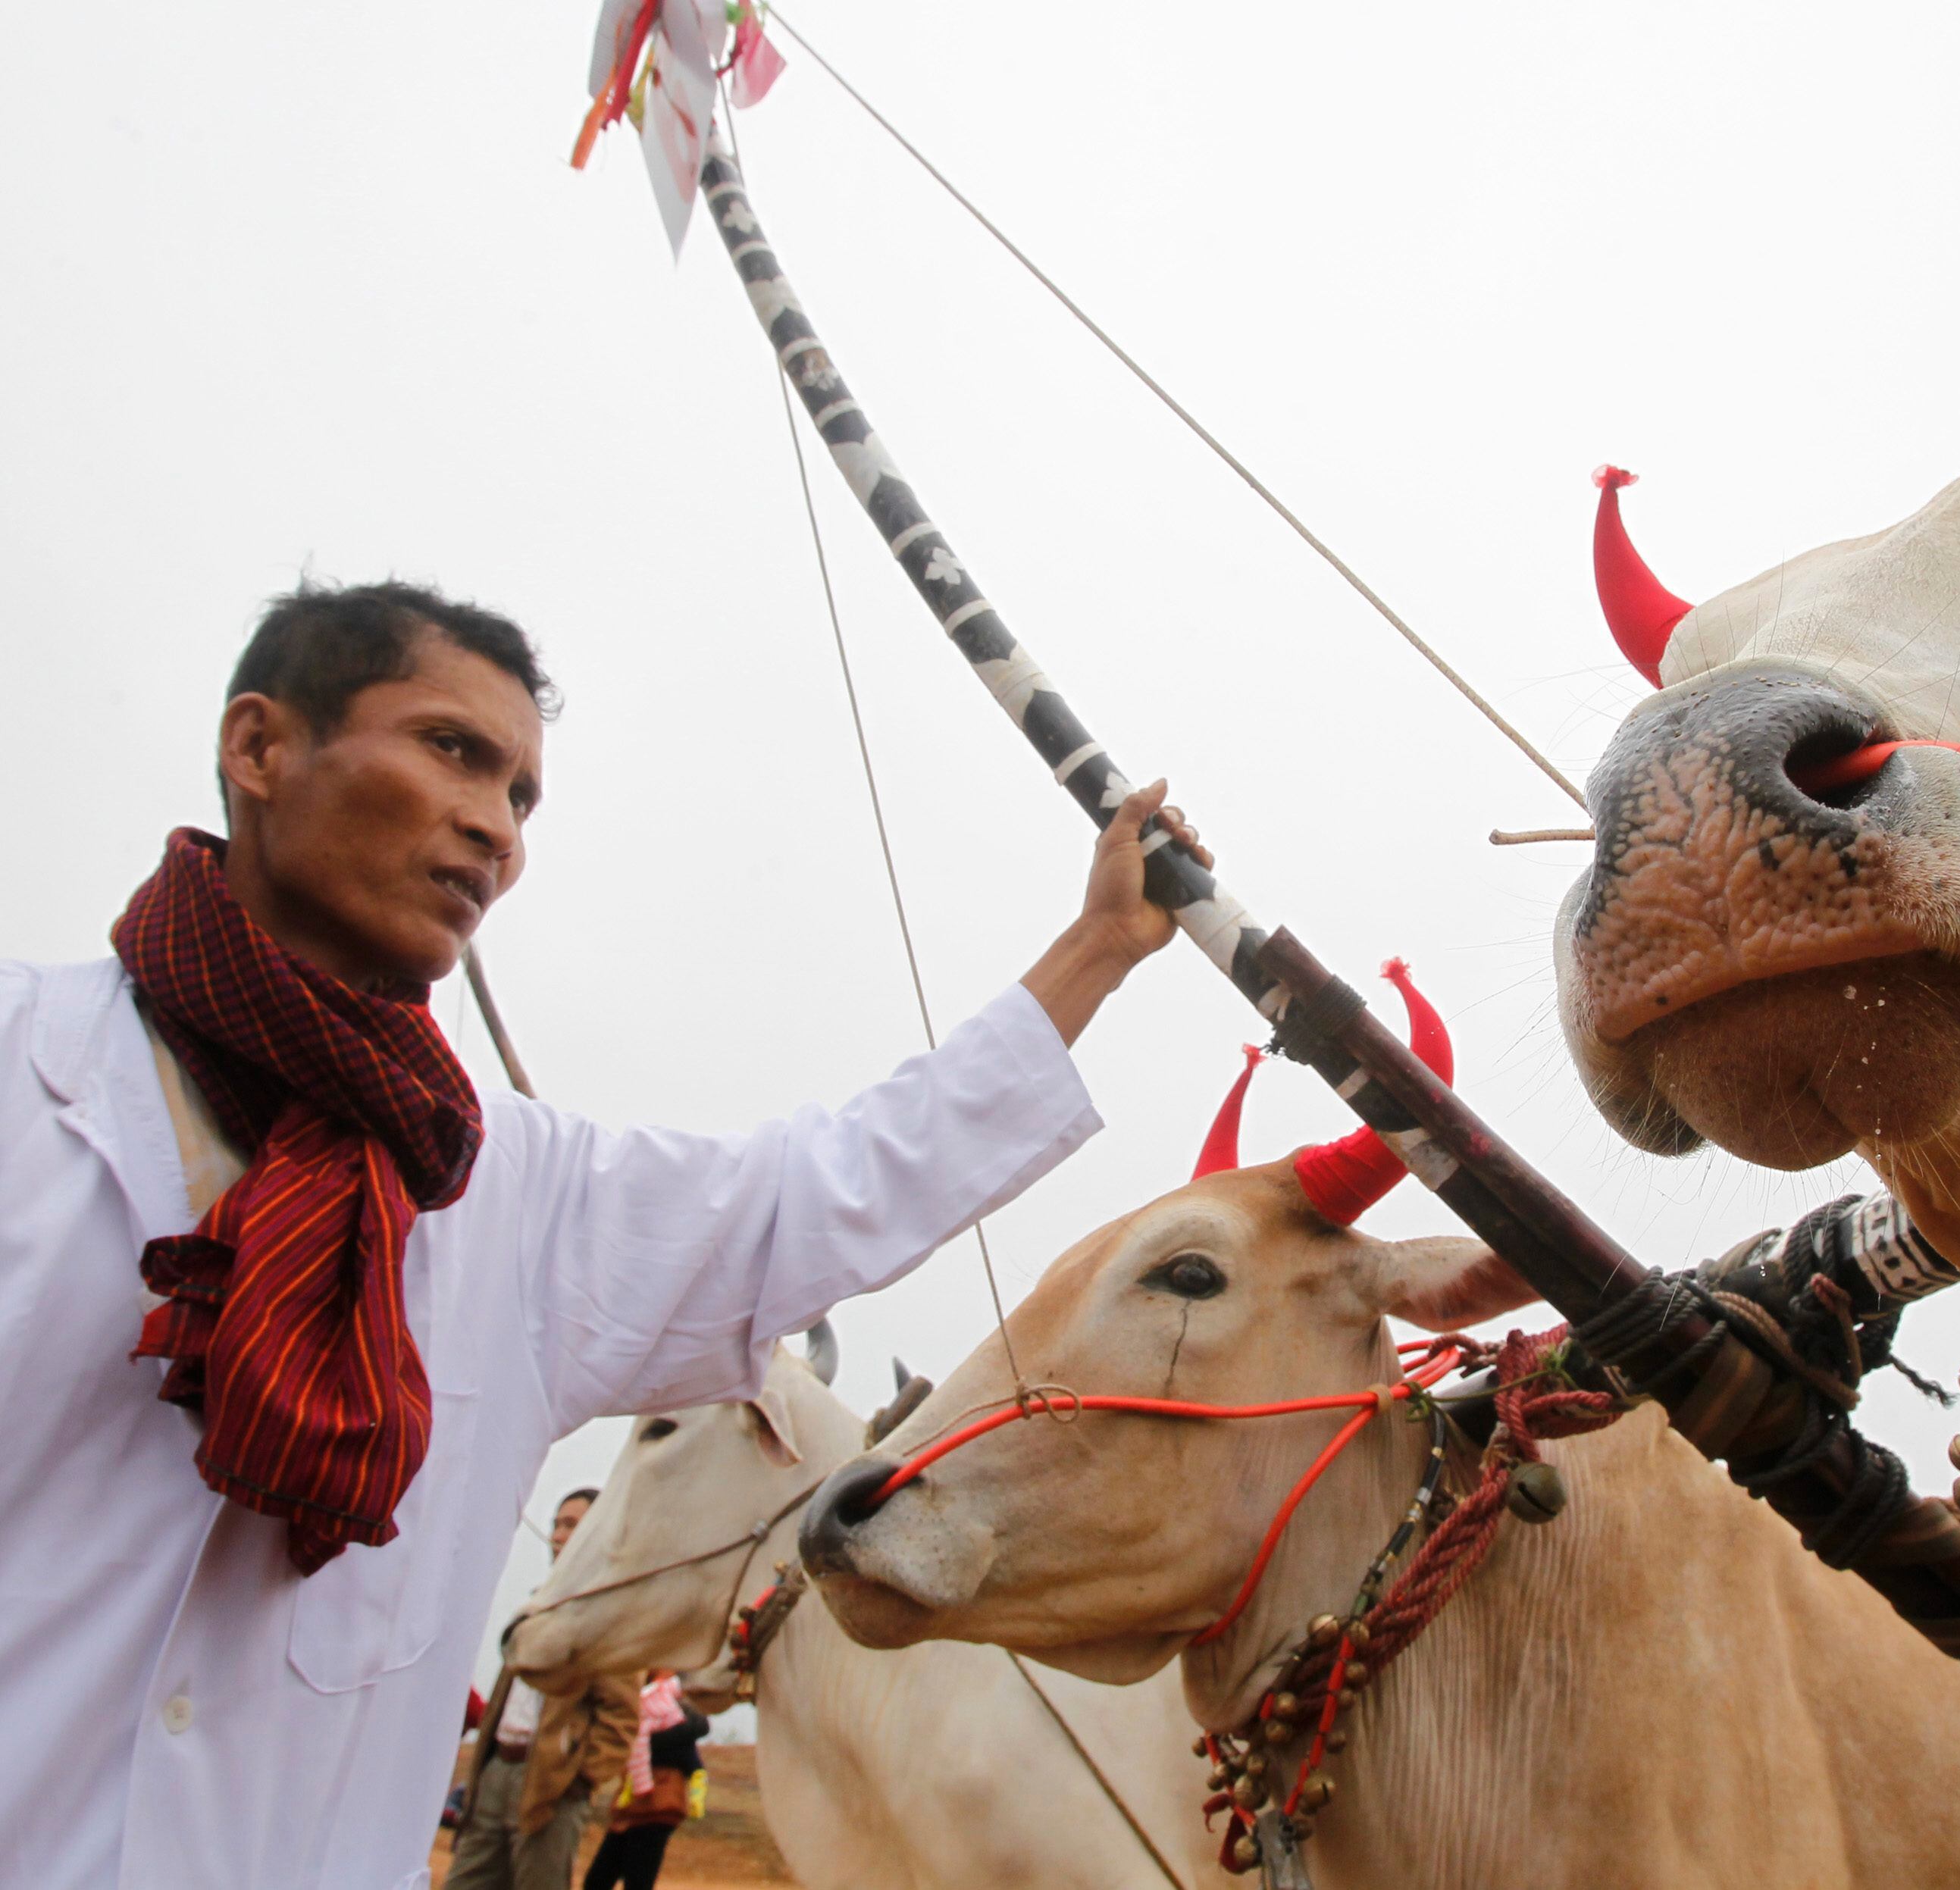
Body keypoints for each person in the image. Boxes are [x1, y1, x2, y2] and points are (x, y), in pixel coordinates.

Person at [0, 580, 1208, 1890]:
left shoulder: (513, 1197)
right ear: (260, 746)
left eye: (521, 796)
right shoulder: (25, 1069)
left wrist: (1099, 946)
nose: (493, 827)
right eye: (452, 749)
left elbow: (828, 1182)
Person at [448, 1491, 640, 1890]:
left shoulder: (609, 1617)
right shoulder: (534, 1609)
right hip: (496, 1771)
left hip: (550, 1784)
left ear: (598, 1534)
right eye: (556, 1523)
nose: (557, 1534)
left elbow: (621, 1716)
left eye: (571, 1526)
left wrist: (577, 1779)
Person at [580, 1673, 709, 1890]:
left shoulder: (672, 1704)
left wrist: (644, 1737)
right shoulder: (639, 1697)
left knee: (635, 1881)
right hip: (633, 1802)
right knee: (599, 1880)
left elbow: (698, 1727)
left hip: (657, 1803)